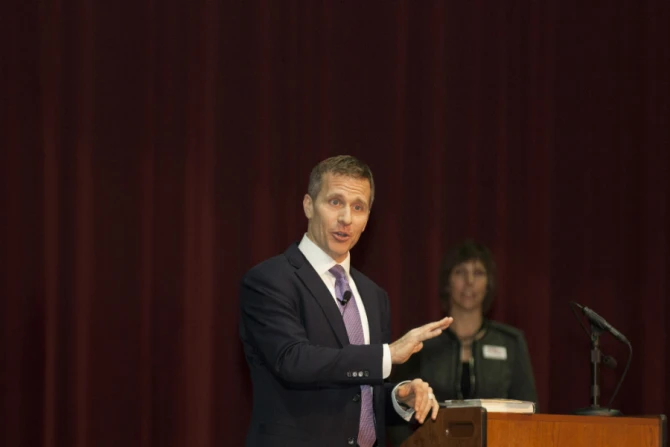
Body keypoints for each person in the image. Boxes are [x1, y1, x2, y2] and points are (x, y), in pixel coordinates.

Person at [239, 155, 453, 447]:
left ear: (367, 219)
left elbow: (359, 396)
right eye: (335, 202)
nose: (346, 218)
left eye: (358, 207)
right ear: (308, 205)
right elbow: (293, 360)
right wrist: (387, 355)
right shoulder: (270, 279)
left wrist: (398, 397)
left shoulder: (374, 296)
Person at [388, 240, 538, 446]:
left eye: (478, 273)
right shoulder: (423, 342)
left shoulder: (511, 342)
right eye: (460, 272)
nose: (469, 282)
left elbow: (530, 412)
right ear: (447, 281)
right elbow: (396, 409)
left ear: (489, 283)